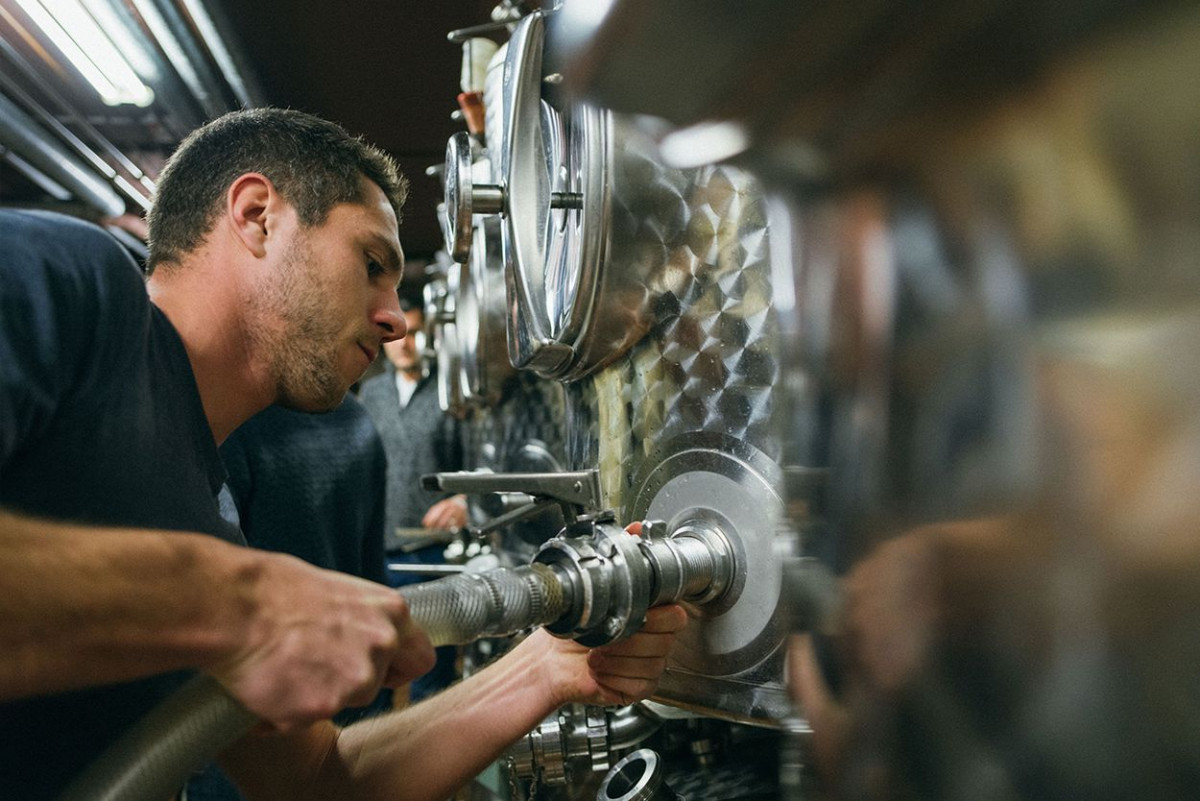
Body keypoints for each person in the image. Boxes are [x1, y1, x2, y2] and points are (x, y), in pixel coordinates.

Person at [0, 107, 686, 801]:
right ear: (257, 215)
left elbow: (323, 778)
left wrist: (552, 666)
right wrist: (240, 602)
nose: (393, 319)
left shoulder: (204, 507)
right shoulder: (70, 282)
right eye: (370, 263)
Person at [359, 296, 465, 700]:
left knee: (432, 674)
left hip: (433, 552)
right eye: (397, 335)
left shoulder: (449, 389)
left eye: (416, 333)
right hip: (380, 552)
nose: (405, 343)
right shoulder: (371, 393)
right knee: (374, 674)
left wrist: (465, 503)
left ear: (430, 336)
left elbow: (472, 461)